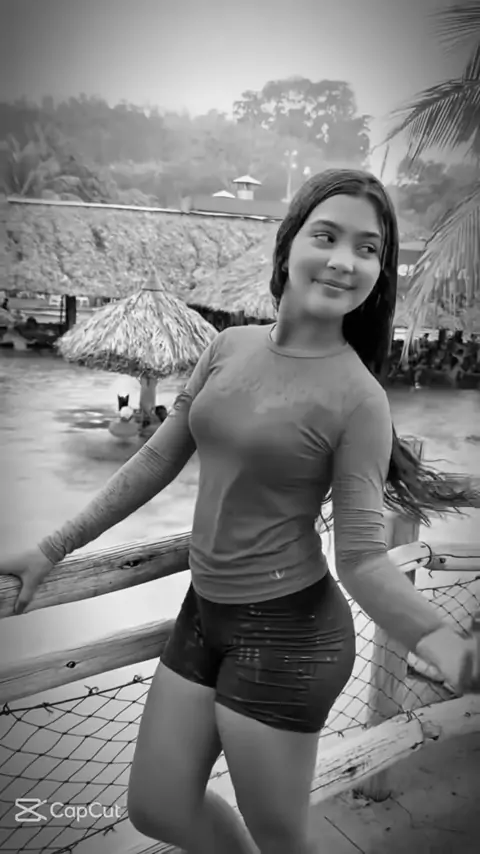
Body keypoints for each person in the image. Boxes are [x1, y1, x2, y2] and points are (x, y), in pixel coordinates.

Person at [1, 169, 479, 854]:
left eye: (368, 248)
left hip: (289, 636)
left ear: (380, 272)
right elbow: (157, 460)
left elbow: (363, 559)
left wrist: (446, 646)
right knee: (158, 808)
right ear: (288, 247)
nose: (345, 260)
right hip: (203, 613)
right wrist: (51, 547)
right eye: (327, 236)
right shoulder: (229, 347)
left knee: (282, 836)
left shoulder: (360, 399)